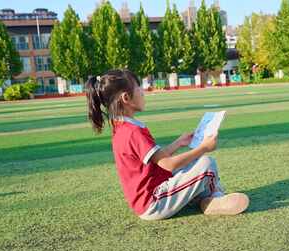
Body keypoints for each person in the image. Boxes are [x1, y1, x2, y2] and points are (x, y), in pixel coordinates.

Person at [86, 69, 249, 221]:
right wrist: (204, 147)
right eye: (139, 89)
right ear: (126, 98)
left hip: (151, 193)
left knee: (197, 163)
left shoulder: (123, 126)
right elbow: (168, 165)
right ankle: (214, 198)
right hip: (153, 203)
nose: (143, 93)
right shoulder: (131, 132)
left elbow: (157, 159)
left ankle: (202, 197)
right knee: (207, 163)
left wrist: (179, 143)